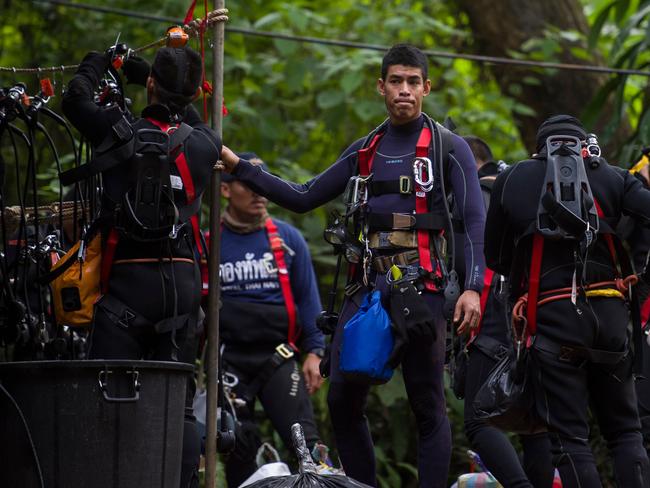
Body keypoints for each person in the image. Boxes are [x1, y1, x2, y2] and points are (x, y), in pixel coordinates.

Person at [219, 44, 486, 487]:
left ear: (427, 87)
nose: (405, 90)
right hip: (367, 294)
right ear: (381, 87)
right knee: (342, 400)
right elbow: (304, 196)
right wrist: (238, 166)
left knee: (428, 406)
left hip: (423, 295)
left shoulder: (448, 148)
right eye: (396, 81)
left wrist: (474, 287)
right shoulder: (366, 149)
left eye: (413, 82)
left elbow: (476, 220)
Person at [62, 45, 221, 488]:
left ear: (151, 84)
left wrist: (98, 61)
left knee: (106, 398)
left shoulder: (116, 129)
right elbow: (189, 122)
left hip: (129, 283)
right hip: (182, 285)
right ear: (191, 95)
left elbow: (75, 99)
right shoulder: (205, 143)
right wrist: (149, 75)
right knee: (179, 405)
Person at [484, 114, 650, 487]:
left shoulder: (513, 179)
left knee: (570, 440)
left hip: (553, 321)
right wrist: (642, 279)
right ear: (583, 145)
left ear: (538, 149)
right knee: (626, 432)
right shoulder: (613, 176)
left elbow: (494, 258)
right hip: (609, 318)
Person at [214, 152, 328, 486]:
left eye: (262, 185)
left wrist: (315, 352)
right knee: (239, 446)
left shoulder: (288, 239)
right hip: (227, 361)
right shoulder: (209, 241)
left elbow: (309, 300)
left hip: (278, 357)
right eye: (248, 185)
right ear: (225, 190)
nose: (259, 192)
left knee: (306, 444)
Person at [461, 135, 554, 487]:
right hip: (537, 314)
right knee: (534, 422)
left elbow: (482, 262)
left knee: (478, 420)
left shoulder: (479, 196)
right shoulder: (522, 191)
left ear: (468, 162)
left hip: (494, 317)